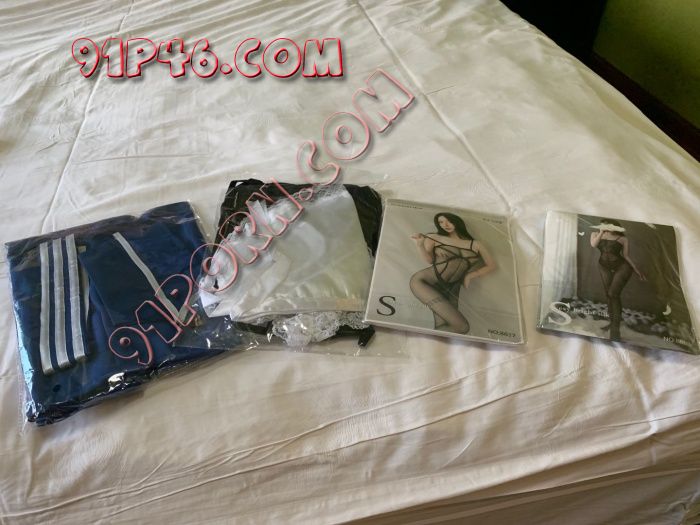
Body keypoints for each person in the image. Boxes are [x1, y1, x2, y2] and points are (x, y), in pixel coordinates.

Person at [409, 212, 496, 334]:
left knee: (445, 326)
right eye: (441, 222)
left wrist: (470, 275)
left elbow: (491, 265)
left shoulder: (476, 244)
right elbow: (430, 260)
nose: (445, 225)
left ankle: (434, 344)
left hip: (452, 288)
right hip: (425, 282)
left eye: (448, 221)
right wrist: (420, 245)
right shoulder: (434, 237)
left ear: (457, 222)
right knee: (462, 326)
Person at [590, 218, 646, 341]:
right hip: (603, 266)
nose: (605, 227)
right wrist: (601, 232)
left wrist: (637, 270)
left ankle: (615, 330)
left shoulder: (622, 238)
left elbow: (626, 256)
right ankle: (612, 323)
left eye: (607, 225)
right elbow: (593, 245)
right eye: (603, 225)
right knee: (608, 295)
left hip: (622, 267)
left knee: (613, 294)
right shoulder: (595, 234)